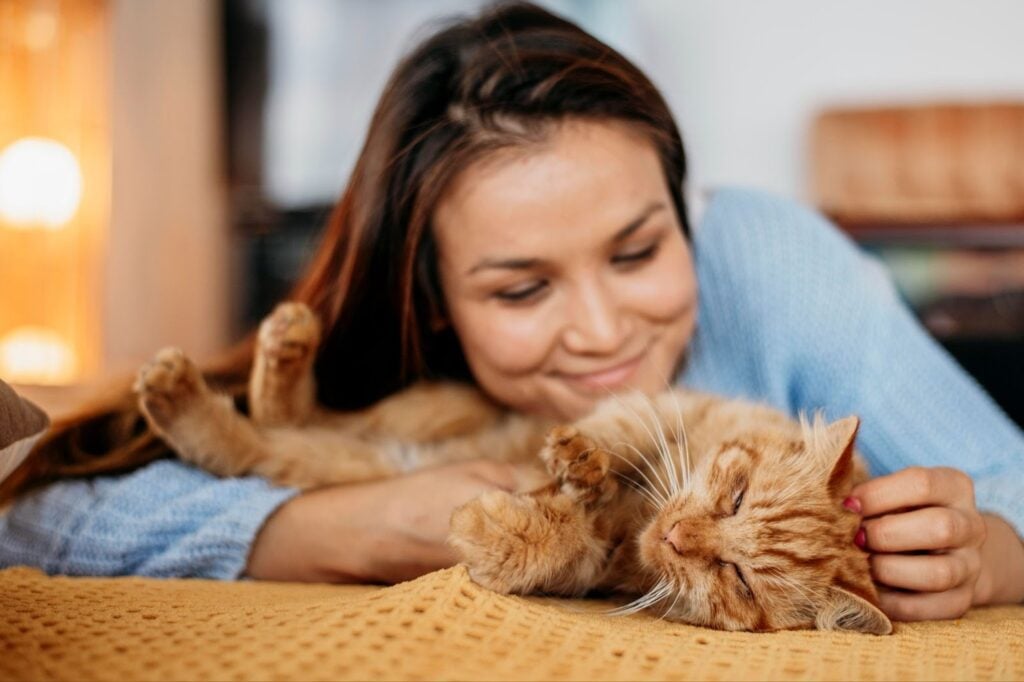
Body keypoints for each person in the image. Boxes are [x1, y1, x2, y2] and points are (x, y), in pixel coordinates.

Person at [1, 1, 1022, 622]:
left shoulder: (764, 256)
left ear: (683, 209)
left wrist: (987, 554)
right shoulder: (383, 356)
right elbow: (36, 518)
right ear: (431, 301)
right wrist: (354, 527)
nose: (601, 329)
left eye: (637, 250)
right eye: (522, 288)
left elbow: (1007, 484)